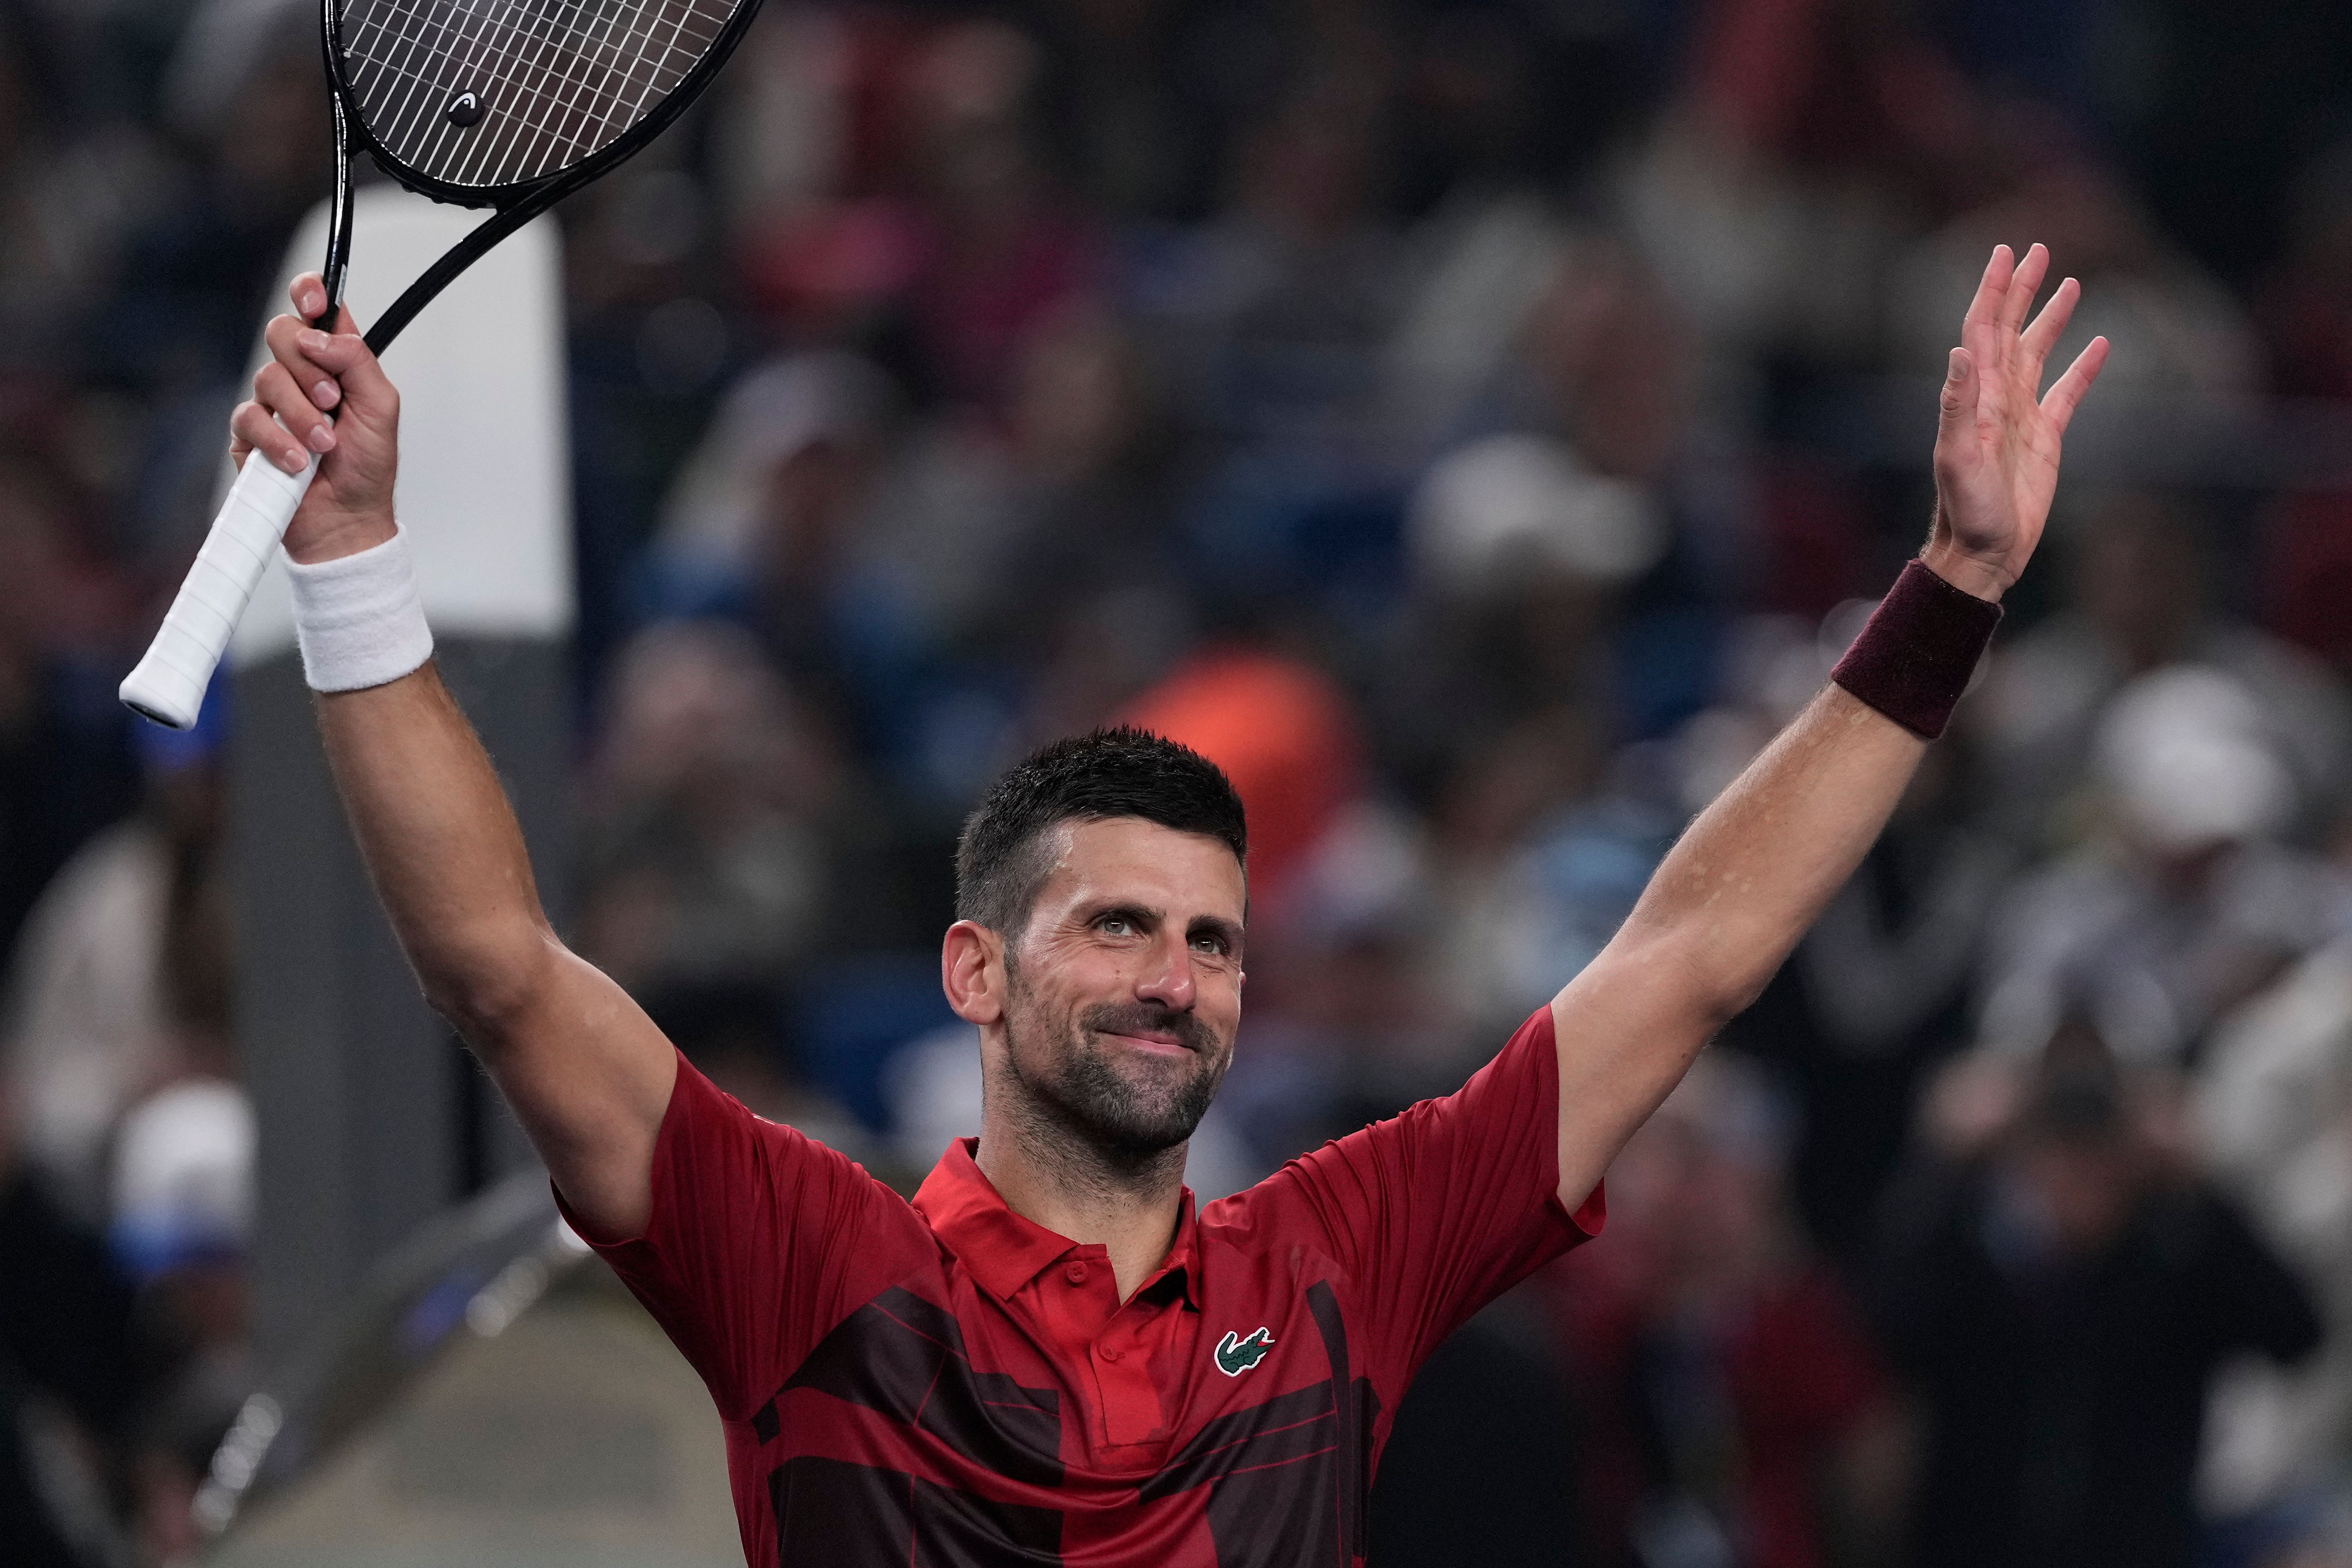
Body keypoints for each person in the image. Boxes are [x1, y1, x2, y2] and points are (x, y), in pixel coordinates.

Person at [215, 243, 2103, 1564]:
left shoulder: (1340, 1259)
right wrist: (353, 555)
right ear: (975, 965)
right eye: (1117, 924)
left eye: (1209, 941)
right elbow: (495, 969)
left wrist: (1947, 587)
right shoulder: (816, 1261)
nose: (1174, 978)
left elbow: (1686, 961)